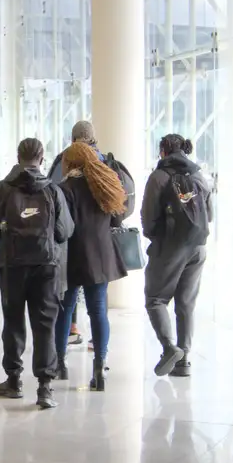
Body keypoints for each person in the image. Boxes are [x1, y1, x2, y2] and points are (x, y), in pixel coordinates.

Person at [0, 138, 72, 409]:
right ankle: (45, 388)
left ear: (18, 157)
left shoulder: (1, 190)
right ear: (42, 158)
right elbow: (64, 231)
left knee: (13, 321)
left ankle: (13, 380)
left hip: (11, 266)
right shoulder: (53, 191)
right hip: (46, 266)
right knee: (45, 325)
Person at [54, 141, 134, 391]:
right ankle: (99, 367)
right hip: (100, 255)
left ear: (71, 163)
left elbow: (61, 227)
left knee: (65, 309)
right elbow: (118, 216)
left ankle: (60, 363)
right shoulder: (104, 183)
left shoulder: (64, 188)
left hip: (72, 255)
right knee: (98, 310)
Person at [141, 133, 213, 377]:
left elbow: (148, 217)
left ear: (163, 151)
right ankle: (184, 361)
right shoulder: (199, 176)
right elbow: (209, 214)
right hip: (198, 246)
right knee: (186, 303)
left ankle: (169, 348)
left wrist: (157, 239)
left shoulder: (159, 177)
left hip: (171, 246)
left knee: (155, 299)